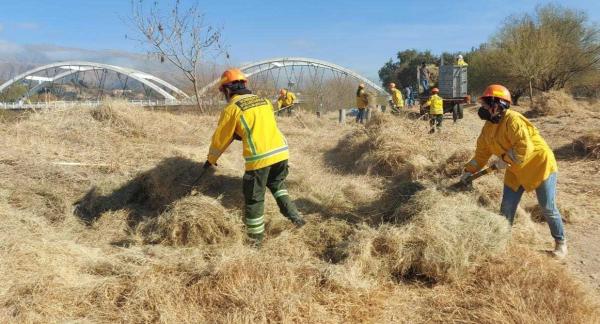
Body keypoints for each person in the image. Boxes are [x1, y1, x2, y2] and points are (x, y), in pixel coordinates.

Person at [461, 84, 567, 258]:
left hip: (539, 165)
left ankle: (560, 243)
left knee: (547, 207)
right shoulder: (487, 128)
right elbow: (481, 154)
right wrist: (468, 170)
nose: (482, 109)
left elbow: (524, 147)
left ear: (497, 105)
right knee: (507, 206)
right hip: (514, 170)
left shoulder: (513, 120)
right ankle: (502, 241)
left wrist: (505, 160)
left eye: (485, 105)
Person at [206, 68, 305, 246]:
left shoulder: (232, 108)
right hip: (281, 152)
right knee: (277, 185)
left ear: (227, 89)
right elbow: (260, 125)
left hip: (260, 158)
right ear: (244, 84)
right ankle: (296, 218)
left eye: (222, 91)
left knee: (254, 198)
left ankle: (254, 242)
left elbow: (220, 138)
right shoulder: (265, 101)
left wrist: (211, 159)